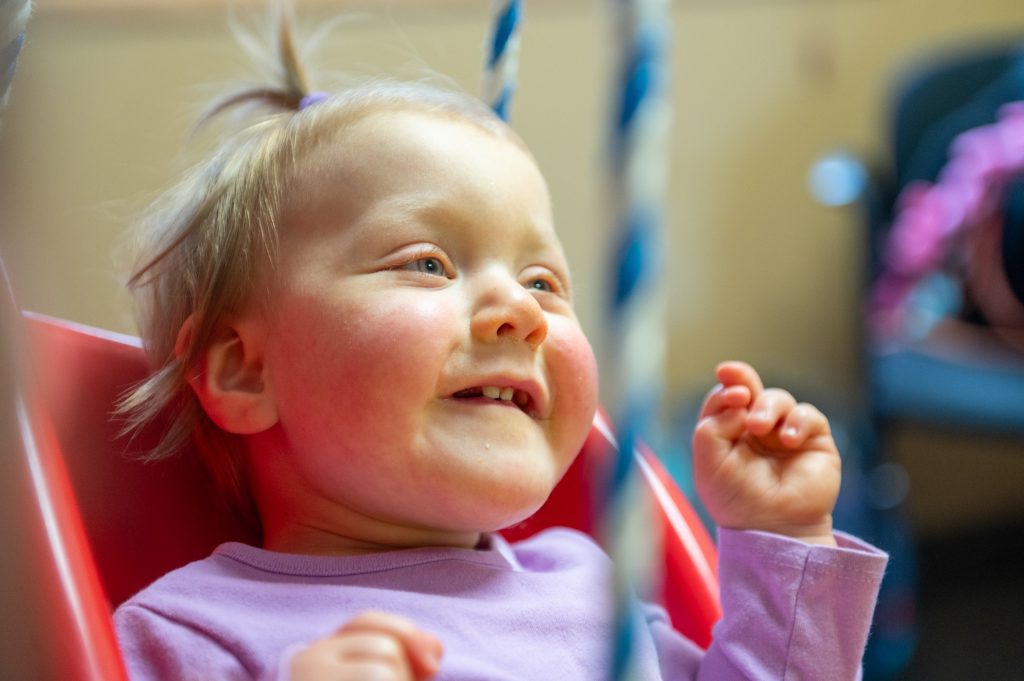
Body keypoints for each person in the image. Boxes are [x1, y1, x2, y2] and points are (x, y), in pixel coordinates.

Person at [113, 11, 887, 681]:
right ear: (245, 368)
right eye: (428, 264)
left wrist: (785, 542)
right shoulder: (191, 629)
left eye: (546, 281)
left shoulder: (589, 587)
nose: (521, 309)